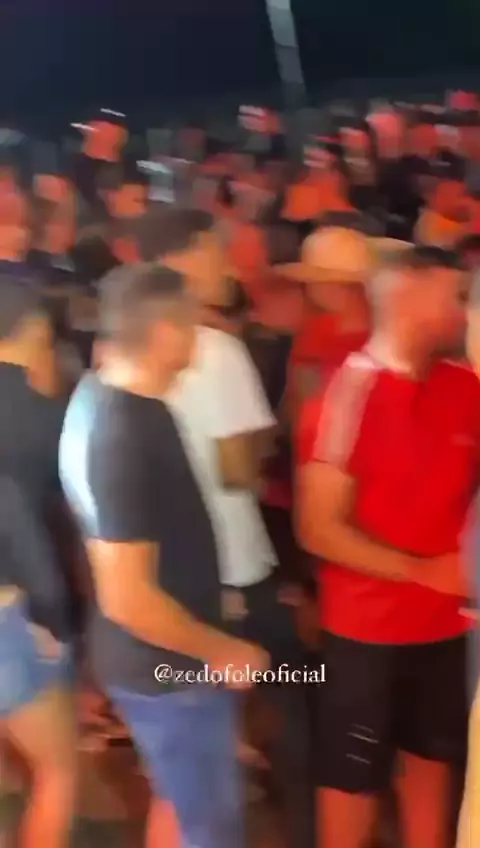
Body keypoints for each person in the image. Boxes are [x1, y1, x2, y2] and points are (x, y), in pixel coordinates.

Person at [59, 263, 268, 848]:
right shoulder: (126, 429)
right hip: (169, 669)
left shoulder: (103, 398)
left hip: (156, 660)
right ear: (166, 332)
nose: (201, 334)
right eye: (193, 323)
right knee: (211, 829)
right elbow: (127, 596)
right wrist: (221, 650)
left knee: (180, 807)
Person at [296, 246, 477, 848]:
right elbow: (317, 527)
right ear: (409, 298)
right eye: (455, 296)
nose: (465, 311)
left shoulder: (463, 385)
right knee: (352, 780)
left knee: (433, 762)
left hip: (446, 626)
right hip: (367, 631)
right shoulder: (346, 394)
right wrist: (422, 571)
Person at [0, 273, 77, 848]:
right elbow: (23, 521)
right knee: (58, 771)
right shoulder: (40, 413)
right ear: (33, 331)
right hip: (10, 612)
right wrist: (54, 617)